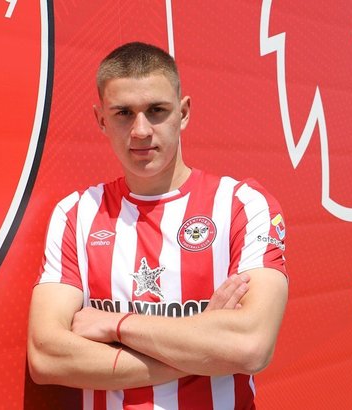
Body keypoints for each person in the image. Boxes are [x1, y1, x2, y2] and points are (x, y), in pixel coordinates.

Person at [28, 42, 288, 409]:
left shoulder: (242, 205)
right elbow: (46, 357)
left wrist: (116, 324)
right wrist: (204, 345)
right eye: (123, 113)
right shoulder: (75, 213)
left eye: (156, 111)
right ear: (101, 120)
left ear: (183, 113)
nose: (140, 130)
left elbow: (251, 346)